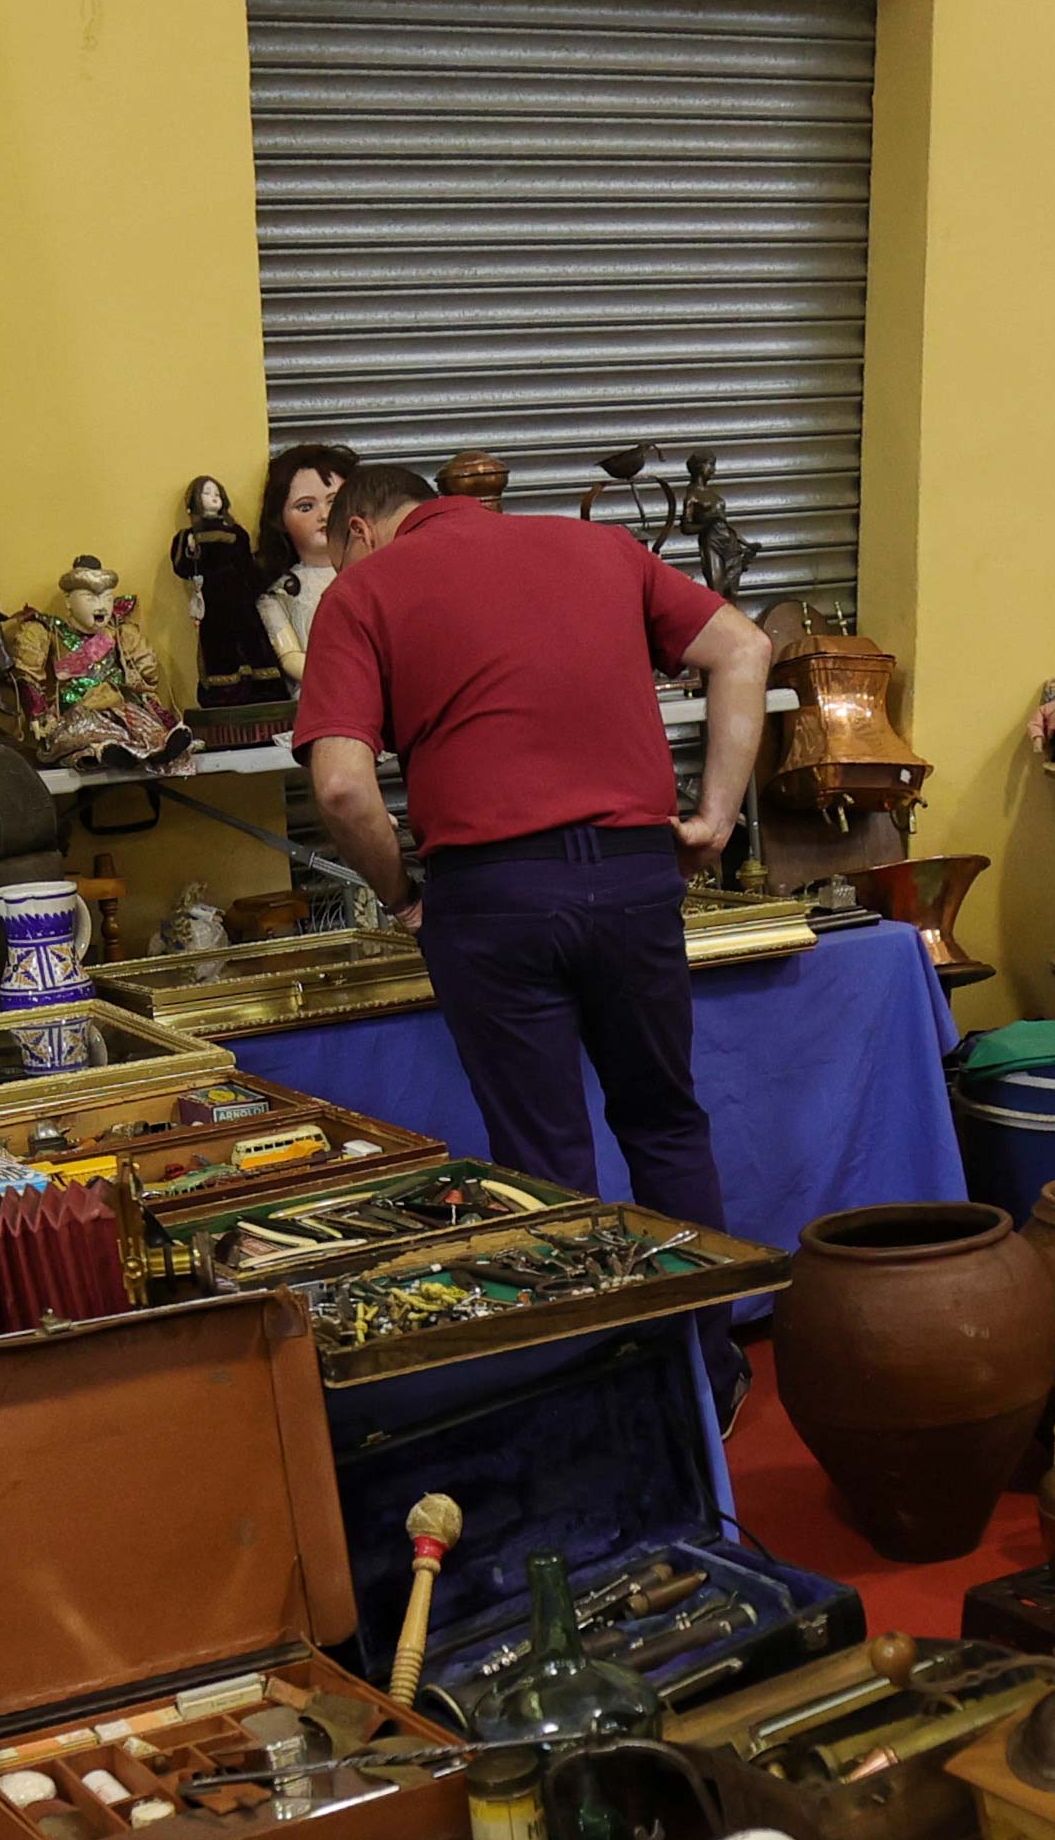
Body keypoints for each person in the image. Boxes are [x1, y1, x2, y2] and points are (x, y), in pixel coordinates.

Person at [294, 460, 771, 1427]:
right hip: (636, 875)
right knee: (666, 1123)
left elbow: (343, 788)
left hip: (492, 895)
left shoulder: (362, 591)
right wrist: (713, 820)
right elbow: (746, 648)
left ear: (357, 530)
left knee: (543, 1156)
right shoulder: (603, 546)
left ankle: (593, 1399)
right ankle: (705, 1373)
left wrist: (399, 897)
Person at [254, 439, 361, 687]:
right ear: (279, 520)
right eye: (305, 507)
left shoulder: (374, 575)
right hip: (321, 696)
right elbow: (290, 657)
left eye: (335, 501)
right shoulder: (279, 593)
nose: (324, 515)